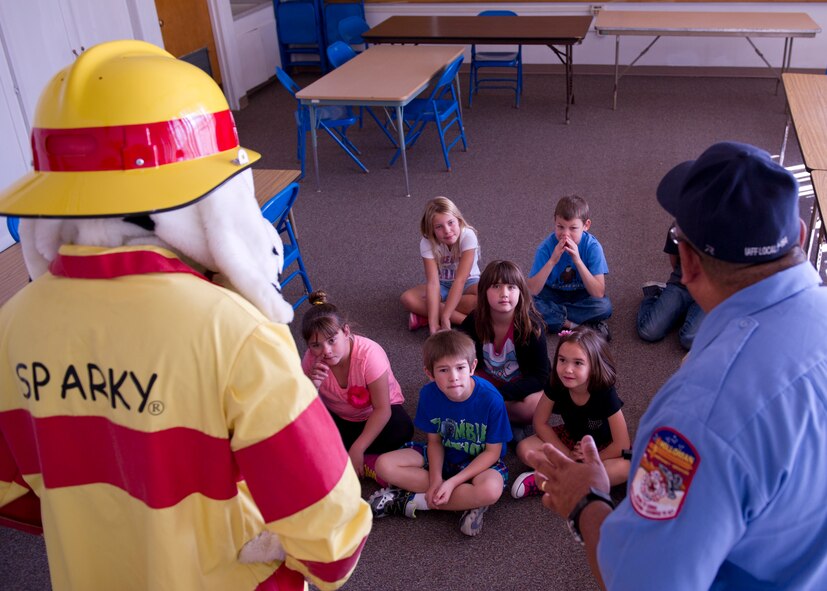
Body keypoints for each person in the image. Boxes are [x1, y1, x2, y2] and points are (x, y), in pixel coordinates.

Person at [0, 41, 371, 591]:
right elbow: (333, 542)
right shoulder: (236, 332)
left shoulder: (12, 323)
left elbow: (15, 498)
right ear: (213, 200)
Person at [530, 141, 827, 590]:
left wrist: (585, 501)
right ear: (800, 236)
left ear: (686, 262)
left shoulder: (696, 415)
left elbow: (639, 582)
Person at [367, 330, 512, 537]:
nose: (453, 378)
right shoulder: (428, 395)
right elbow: (434, 442)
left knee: (490, 490)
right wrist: (435, 479)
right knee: (384, 465)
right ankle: (466, 502)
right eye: (443, 370)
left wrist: (452, 482)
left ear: (472, 367)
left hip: (479, 463)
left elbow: (492, 453)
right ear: (430, 373)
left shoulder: (491, 399)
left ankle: (409, 502)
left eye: (460, 368)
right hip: (444, 456)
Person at [301, 290, 414, 481]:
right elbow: (304, 409)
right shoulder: (311, 361)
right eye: (316, 345)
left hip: (376, 415)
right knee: (304, 435)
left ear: (345, 331)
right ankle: (362, 457)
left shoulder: (369, 355)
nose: (326, 351)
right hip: (342, 418)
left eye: (331, 341)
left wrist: (358, 447)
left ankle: (353, 454)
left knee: (402, 428)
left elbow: (382, 409)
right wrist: (313, 387)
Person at [512, 327, 629, 499]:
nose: (567, 369)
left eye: (578, 363)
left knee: (626, 467)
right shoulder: (557, 383)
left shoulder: (605, 392)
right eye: (562, 360)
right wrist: (567, 456)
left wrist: (591, 460)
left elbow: (621, 444)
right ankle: (580, 482)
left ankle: (551, 481)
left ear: (594, 366)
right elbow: (540, 423)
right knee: (524, 448)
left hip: (602, 448)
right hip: (570, 441)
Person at [459, 260, 550, 427]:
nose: (504, 293)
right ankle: (499, 418)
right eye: (496, 286)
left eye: (511, 287)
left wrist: (498, 394)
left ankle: (485, 413)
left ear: (521, 292)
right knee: (448, 380)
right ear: (483, 291)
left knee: (533, 408)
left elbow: (541, 376)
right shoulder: (474, 320)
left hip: (520, 386)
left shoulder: (532, 327)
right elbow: (458, 356)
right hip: (488, 379)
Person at [526, 195, 612, 340]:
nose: (565, 234)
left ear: (586, 226)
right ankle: (577, 326)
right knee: (525, 304)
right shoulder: (545, 248)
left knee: (604, 307)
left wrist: (577, 260)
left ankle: (554, 318)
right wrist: (552, 261)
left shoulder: (592, 247)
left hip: (581, 294)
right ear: (554, 222)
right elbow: (531, 290)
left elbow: (598, 292)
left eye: (573, 228)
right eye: (560, 227)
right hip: (553, 294)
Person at [401, 197, 480, 333]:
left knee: (484, 299)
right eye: (439, 227)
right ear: (431, 230)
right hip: (442, 284)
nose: (447, 230)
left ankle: (429, 312)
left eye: (451, 223)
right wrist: (433, 324)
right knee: (407, 298)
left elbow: (460, 280)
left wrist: (445, 315)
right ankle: (465, 322)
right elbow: (433, 282)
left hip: (468, 282)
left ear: (459, 220)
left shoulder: (468, 235)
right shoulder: (427, 242)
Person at [636, 223, 706, 350]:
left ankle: (687, 310)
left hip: (711, 292)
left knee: (689, 339)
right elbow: (674, 260)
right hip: (683, 284)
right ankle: (654, 295)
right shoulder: (680, 226)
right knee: (649, 332)